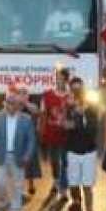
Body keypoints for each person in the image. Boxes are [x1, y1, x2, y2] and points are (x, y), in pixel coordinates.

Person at [0, 92, 37, 211]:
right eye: (8, 103)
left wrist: (27, 156)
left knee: (17, 184)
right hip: (1, 155)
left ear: (18, 106)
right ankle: (3, 202)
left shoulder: (26, 119)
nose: (10, 106)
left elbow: (31, 140)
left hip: (18, 156)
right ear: (5, 104)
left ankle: (16, 210)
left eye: (13, 104)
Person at [63, 77, 99, 211]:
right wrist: (76, 117)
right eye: (74, 89)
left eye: (79, 89)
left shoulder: (92, 107)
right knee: (73, 182)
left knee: (87, 184)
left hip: (89, 152)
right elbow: (66, 125)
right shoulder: (68, 108)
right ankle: (77, 202)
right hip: (72, 151)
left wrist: (80, 116)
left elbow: (92, 129)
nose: (77, 93)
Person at [41, 68, 71, 200]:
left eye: (61, 78)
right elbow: (43, 114)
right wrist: (41, 129)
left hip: (66, 135)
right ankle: (55, 180)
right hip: (52, 133)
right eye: (57, 78)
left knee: (65, 161)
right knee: (54, 160)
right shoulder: (47, 95)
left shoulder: (70, 97)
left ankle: (64, 188)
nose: (58, 80)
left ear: (66, 80)